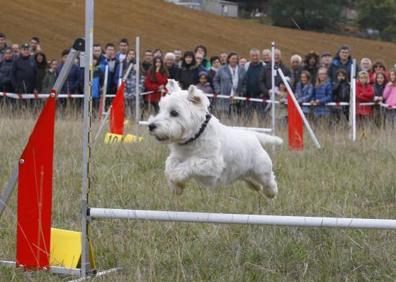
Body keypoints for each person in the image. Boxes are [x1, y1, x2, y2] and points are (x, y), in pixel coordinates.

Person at [213, 52, 246, 117]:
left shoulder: (242, 69)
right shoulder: (222, 69)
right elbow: (215, 80)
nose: (234, 60)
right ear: (228, 59)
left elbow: (245, 82)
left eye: (236, 59)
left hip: (237, 97)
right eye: (232, 58)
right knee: (225, 116)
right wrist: (218, 90)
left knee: (237, 116)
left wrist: (243, 91)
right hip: (224, 96)